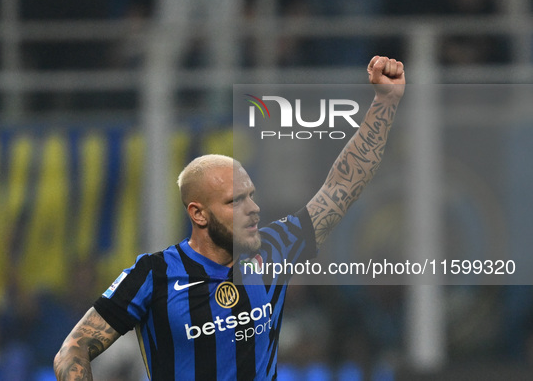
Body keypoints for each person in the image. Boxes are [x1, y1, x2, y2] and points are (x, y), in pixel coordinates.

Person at [53, 55, 405, 380]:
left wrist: (385, 104)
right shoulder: (153, 275)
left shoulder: (274, 250)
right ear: (199, 214)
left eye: (251, 195)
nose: (253, 208)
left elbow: (342, 185)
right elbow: (73, 349)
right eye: (235, 201)